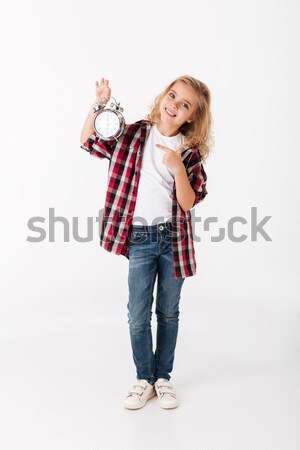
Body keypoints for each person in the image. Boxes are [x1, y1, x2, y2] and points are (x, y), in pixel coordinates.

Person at [80, 75, 212, 410]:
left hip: (173, 241)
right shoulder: (134, 133)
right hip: (139, 238)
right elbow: (87, 140)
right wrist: (99, 106)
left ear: (191, 117)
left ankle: (162, 378)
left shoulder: (188, 153)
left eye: (184, 105)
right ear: (163, 97)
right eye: (172, 96)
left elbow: (187, 202)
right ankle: (144, 378)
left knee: (168, 312)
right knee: (138, 314)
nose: (174, 105)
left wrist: (177, 168)